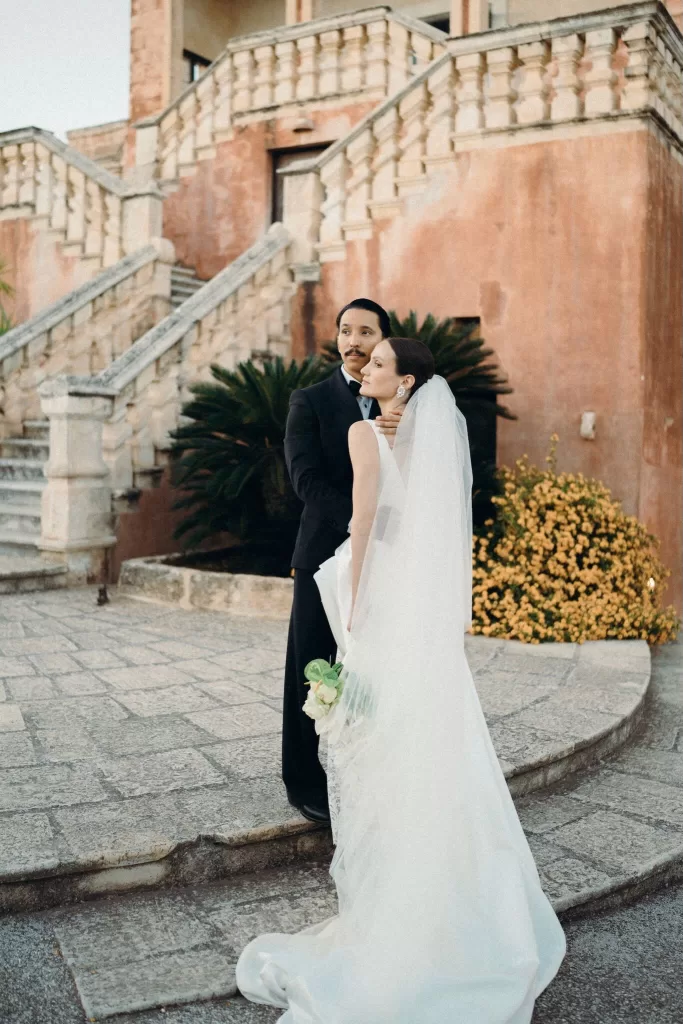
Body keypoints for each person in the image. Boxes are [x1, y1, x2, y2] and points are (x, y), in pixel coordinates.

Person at [238, 337, 566, 1023]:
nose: (366, 367)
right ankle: (452, 900)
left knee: (381, 751)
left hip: (381, 604)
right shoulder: (429, 443)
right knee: (431, 741)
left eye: (380, 363)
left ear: (405, 380)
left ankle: (395, 906)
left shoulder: (364, 433)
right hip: (420, 614)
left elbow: (363, 526)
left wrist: (353, 613)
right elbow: (429, 530)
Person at [282, 297, 402, 824]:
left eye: (366, 332)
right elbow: (305, 482)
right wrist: (362, 523)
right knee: (310, 665)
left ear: (384, 340)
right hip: (321, 555)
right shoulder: (308, 401)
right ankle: (303, 780)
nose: (353, 341)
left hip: (387, 558)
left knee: (374, 669)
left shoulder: (402, 403)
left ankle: (369, 772)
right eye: (345, 331)